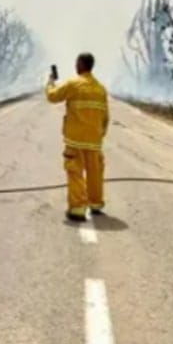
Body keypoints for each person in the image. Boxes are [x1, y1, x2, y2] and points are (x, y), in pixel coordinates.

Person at [45, 52, 109, 222]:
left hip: (75, 140)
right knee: (95, 173)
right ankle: (95, 204)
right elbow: (105, 117)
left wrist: (50, 81)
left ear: (81, 65)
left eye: (76, 63)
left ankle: (78, 208)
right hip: (94, 141)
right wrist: (99, 135)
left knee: (75, 171)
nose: (75, 66)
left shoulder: (73, 84)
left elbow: (52, 96)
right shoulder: (100, 89)